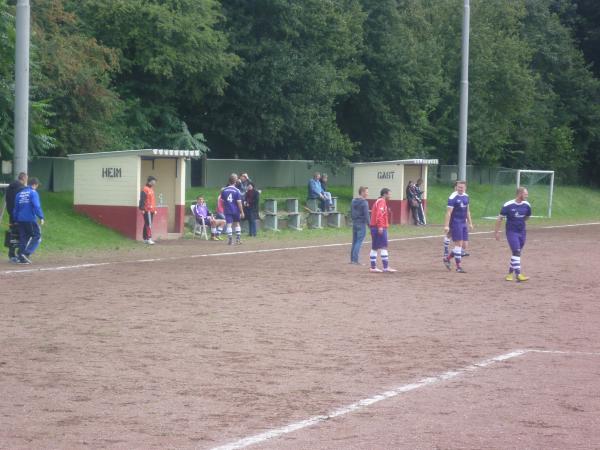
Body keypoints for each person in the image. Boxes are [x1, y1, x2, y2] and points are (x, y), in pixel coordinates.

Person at [494, 187, 531, 282]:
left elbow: (527, 217)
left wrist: (521, 223)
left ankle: (509, 274)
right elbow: (499, 219)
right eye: (525, 194)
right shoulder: (508, 205)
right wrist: (496, 232)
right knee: (517, 251)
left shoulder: (527, 205)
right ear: (519, 194)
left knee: (516, 253)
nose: (527, 195)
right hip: (511, 232)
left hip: (522, 232)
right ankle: (518, 274)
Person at [443, 180, 473, 273]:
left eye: (462, 187)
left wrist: (470, 223)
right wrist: (446, 225)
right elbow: (448, 212)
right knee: (458, 245)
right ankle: (458, 267)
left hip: (463, 223)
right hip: (455, 223)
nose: (460, 189)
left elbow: (467, 210)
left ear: (465, 188)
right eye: (459, 187)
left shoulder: (466, 196)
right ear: (456, 187)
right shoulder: (452, 197)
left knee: (464, 245)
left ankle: (447, 258)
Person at [12, 177, 44, 264]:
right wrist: (41, 217)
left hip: (20, 219)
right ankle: (26, 254)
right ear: (34, 185)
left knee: (24, 238)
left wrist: (15, 219)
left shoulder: (19, 194)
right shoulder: (33, 192)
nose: (37, 187)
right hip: (29, 219)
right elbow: (36, 206)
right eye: (37, 185)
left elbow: (15, 209)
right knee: (37, 236)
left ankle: (20, 257)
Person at [369, 188, 397, 273]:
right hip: (379, 227)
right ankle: (385, 267)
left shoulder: (379, 201)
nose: (390, 196)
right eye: (389, 194)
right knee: (383, 247)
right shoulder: (381, 201)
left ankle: (373, 267)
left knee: (374, 248)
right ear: (385, 194)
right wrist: (380, 226)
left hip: (374, 227)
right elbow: (379, 215)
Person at [5, 172, 27, 262]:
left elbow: (7, 199)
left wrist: (11, 211)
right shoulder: (21, 188)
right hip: (19, 215)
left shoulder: (10, 186)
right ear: (24, 178)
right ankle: (18, 255)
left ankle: (11, 254)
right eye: (26, 178)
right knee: (19, 235)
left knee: (12, 234)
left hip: (11, 213)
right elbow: (21, 202)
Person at [221, 173, 245, 245]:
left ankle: (230, 240)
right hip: (235, 210)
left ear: (229, 181)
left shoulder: (224, 190)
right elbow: (239, 203)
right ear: (235, 181)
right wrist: (242, 212)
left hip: (227, 210)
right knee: (237, 224)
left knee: (229, 224)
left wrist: (225, 208)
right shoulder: (237, 190)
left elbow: (222, 201)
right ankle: (238, 239)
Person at [350, 186, 369, 265]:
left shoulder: (353, 201)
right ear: (362, 192)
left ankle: (352, 260)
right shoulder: (364, 202)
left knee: (354, 241)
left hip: (355, 223)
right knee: (358, 242)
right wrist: (370, 225)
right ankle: (355, 260)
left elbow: (351, 211)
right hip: (361, 224)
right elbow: (366, 215)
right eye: (366, 192)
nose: (367, 193)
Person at [139, 175, 157, 244]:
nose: (155, 182)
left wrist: (154, 209)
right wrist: (142, 208)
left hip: (151, 210)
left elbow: (152, 201)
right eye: (154, 181)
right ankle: (149, 238)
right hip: (147, 210)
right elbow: (142, 199)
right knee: (149, 224)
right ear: (151, 181)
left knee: (147, 224)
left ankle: (145, 238)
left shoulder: (151, 189)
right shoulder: (145, 189)